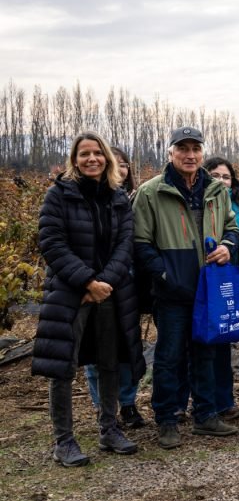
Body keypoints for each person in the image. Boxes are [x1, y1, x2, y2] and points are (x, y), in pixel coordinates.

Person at [34, 132, 144, 466]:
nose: (92, 159)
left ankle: (109, 429)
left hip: (110, 292)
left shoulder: (117, 196)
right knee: (63, 367)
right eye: (84, 154)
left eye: (97, 153)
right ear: (75, 159)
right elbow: (51, 243)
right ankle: (64, 441)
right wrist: (86, 282)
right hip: (70, 293)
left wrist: (104, 282)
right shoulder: (58, 195)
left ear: (107, 158)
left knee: (109, 361)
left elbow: (125, 244)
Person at [134, 126, 239, 449]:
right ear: (171, 153)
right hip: (172, 292)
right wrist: (165, 276)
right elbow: (140, 243)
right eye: (183, 149)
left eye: (195, 149)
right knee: (169, 357)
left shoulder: (217, 190)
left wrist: (227, 246)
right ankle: (166, 419)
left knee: (205, 353)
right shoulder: (151, 192)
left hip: (208, 289)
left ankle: (205, 415)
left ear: (202, 153)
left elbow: (232, 227)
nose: (190, 155)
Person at [83, 145, 146, 429]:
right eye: (115, 163)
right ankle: (102, 407)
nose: (119, 169)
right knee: (95, 350)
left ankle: (128, 403)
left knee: (128, 347)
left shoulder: (134, 199)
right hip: (91, 282)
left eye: (124, 164)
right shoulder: (83, 198)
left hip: (126, 284)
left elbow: (131, 245)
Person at [203, 157, 239, 422]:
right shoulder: (204, 202)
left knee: (223, 340)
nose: (221, 180)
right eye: (215, 175)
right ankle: (200, 402)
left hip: (232, 279)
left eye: (226, 176)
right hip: (206, 277)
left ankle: (224, 400)